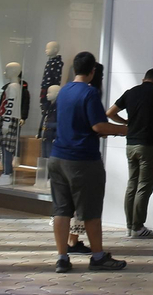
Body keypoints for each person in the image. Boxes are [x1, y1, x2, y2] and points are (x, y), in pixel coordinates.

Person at [47, 51, 128, 273]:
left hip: (57, 157)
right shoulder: (90, 93)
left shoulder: (63, 91)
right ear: (92, 71)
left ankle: (62, 258)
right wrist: (125, 130)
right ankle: (98, 256)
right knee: (90, 212)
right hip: (82, 160)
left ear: (75, 69)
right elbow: (99, 127)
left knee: (61, 210)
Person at [110, 67, 153, 240]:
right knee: (144, 187)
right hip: (149, 146)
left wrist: (126, 123)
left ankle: (130, 226)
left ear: (144, 79)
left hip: (131, 145)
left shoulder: (130, 93)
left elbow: (110, 113)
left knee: (132, 185)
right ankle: (138, 226)